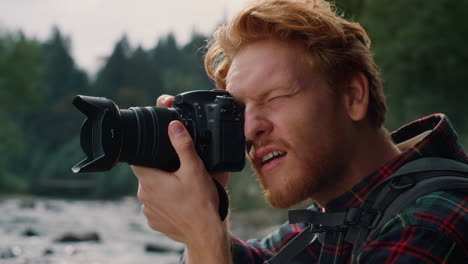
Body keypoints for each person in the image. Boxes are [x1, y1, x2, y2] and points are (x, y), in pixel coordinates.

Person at [132, 0, 468, 263]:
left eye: (275, 97)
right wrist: (207, 208)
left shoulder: (430, 223)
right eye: (239, 111)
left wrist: (201, 234)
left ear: (353, 96)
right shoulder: (335, 221)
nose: (250, 129)